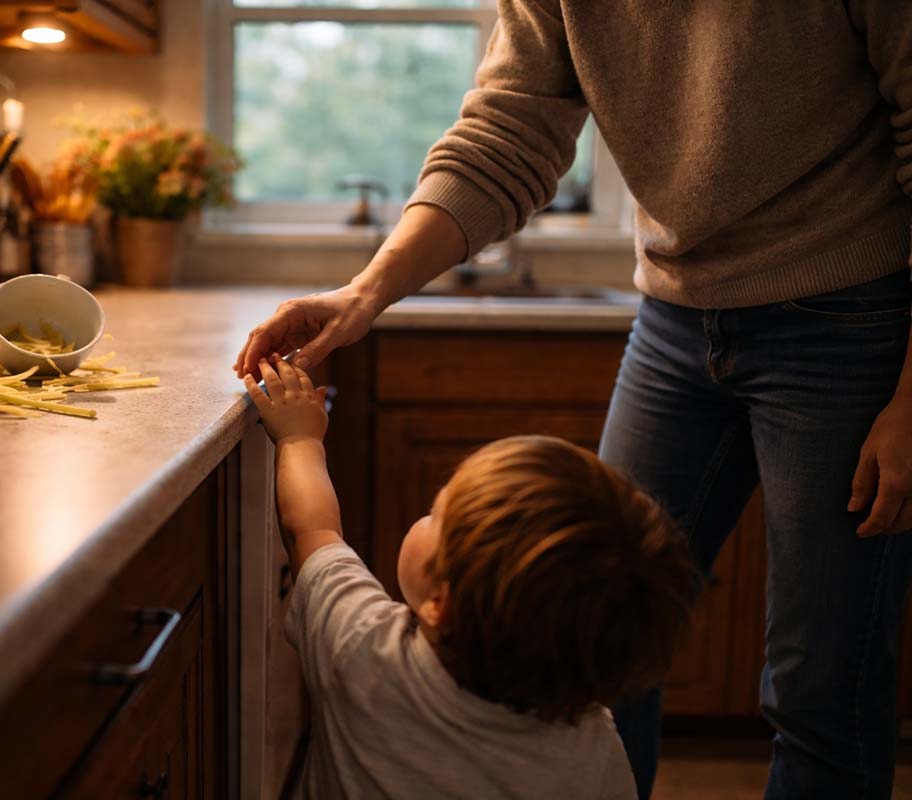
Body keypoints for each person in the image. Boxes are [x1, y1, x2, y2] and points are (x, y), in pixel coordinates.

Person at [234, 4, 912, 798]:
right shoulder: (590, 765)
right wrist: (367, 291)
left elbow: (314, 529)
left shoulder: (353, 643)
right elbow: (507, 129)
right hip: (672, 312)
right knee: (592, 650)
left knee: (824, 688)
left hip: (851, 316)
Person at [242, 354, 698, 799]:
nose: (427, 512)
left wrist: (300, 438)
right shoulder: (596, 751)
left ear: (443, 604)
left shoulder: (361, 647)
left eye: (437, 514)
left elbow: (312, 528)